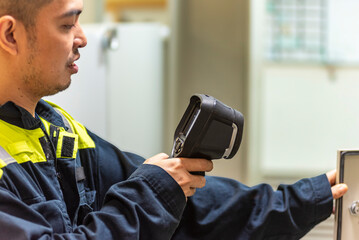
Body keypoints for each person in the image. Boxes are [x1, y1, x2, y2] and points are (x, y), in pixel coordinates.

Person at [0, 0, 348, 239]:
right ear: (10, 35)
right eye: (66, 24)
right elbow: (154, 193)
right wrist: (153, 192)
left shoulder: (57, 128)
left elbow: (191, 206)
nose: (83, 37)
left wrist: (310, 198)